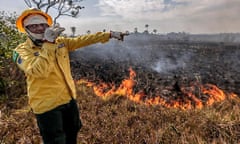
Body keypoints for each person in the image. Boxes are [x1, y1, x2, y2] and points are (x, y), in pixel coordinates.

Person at [13, 8, 127, 144]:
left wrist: (108, 34)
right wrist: (48, 44)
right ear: (26, 29)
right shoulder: (21, 51)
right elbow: (38, 71)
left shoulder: (61, 42)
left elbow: (83, 39)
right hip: (47, 106)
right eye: (34, 25)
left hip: (68, 100)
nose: (40, 28)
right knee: (55, 140)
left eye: (43, 25)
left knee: (72, 134)